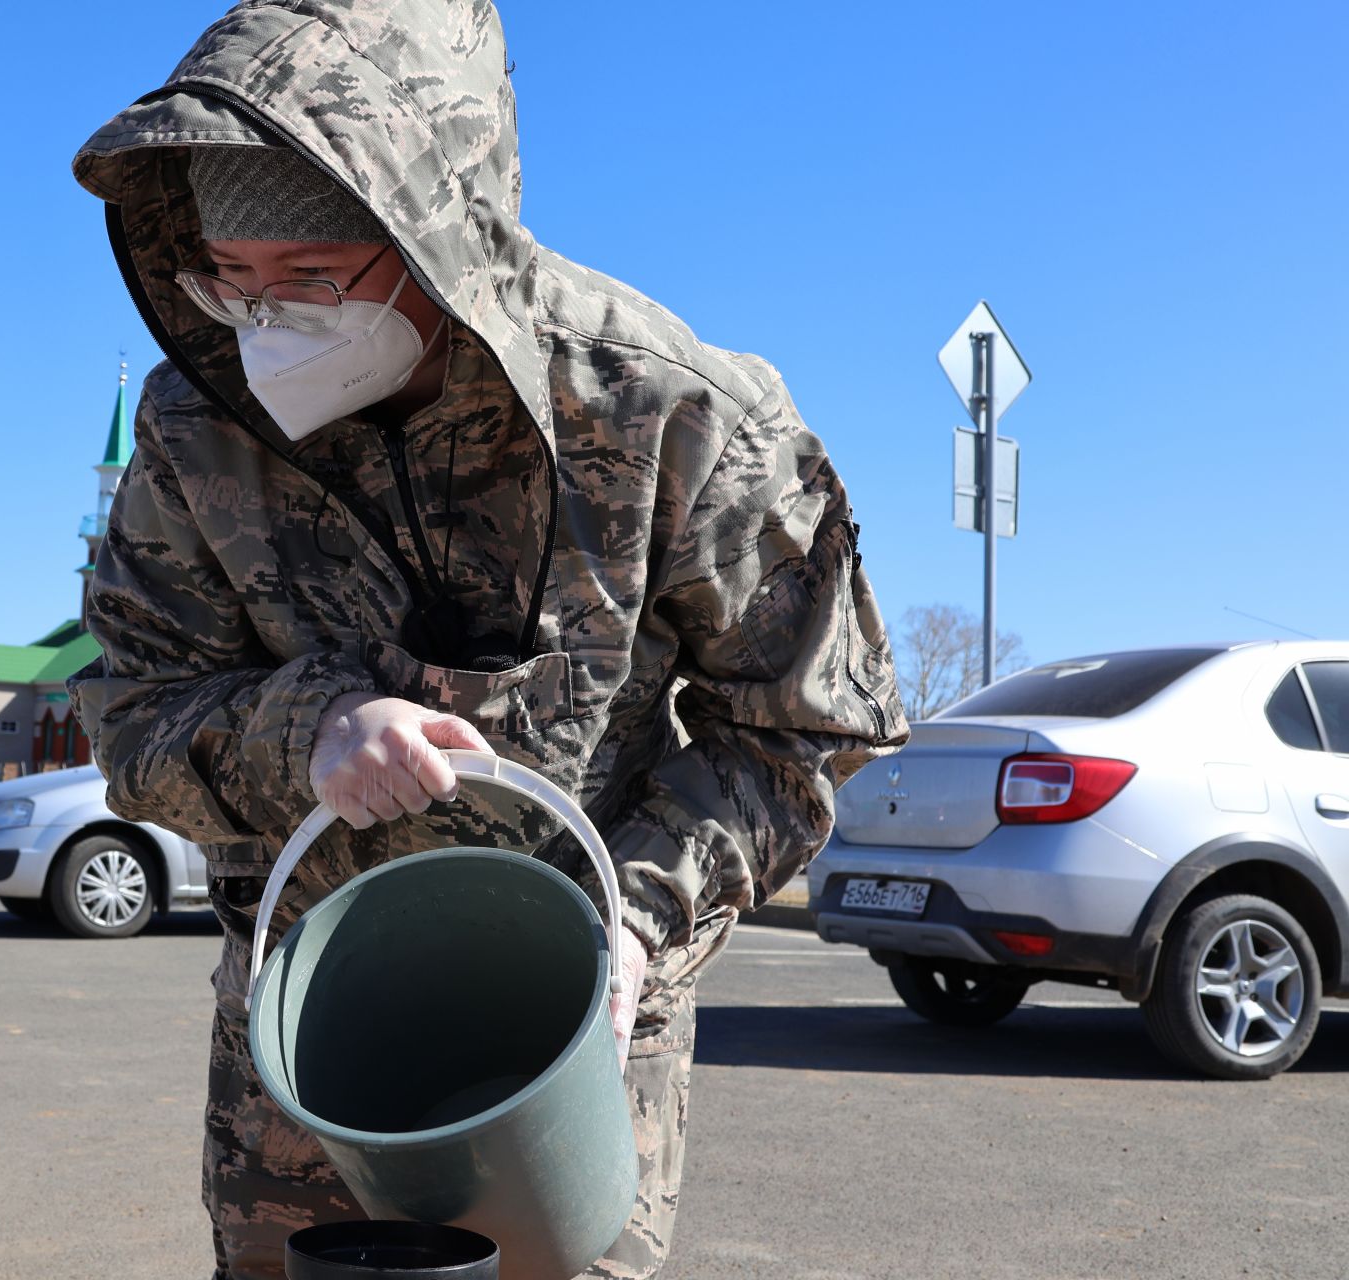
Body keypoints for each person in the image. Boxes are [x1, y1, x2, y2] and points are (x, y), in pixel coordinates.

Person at [67, 2, 908, 1276]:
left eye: (310, 279)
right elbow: (137, 717)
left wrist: (629, 921)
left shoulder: (671, 414)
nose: (264, 322)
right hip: (304, 1068)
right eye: (227, 280)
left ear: (436, 231)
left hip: (568, 1055)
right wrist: (314, 730)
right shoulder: (197, 430)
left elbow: (798, 731)